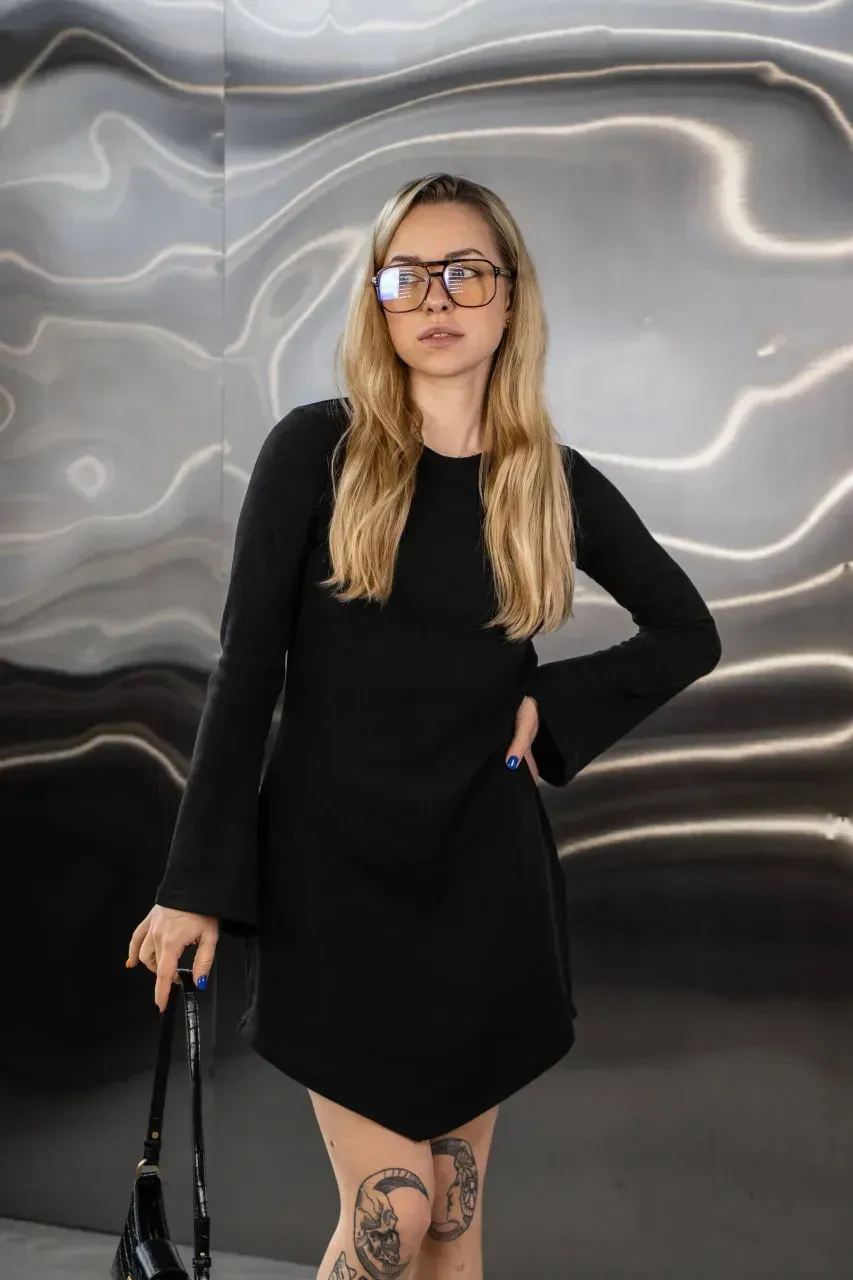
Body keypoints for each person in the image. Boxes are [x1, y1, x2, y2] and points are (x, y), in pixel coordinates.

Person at [126, 172, 721, 1280]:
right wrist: (194, 882)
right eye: (406, 275)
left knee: (448, 1211)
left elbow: (687, 631)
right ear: (377, 300)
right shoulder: (315, 451)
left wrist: (550, 710)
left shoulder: (546, 480)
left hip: (482, 883)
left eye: (465, 272)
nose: (435, 297)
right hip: (333, 884)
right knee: (392, 1204)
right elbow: (245, 672)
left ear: (510, 296)